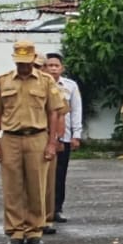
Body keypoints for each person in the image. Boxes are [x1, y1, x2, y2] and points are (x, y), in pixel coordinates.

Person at [0, 40, 66, 244]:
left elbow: (54, 112)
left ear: (33, 59)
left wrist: (52, 143)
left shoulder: (46, 82)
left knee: (36, 186)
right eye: (19, 62)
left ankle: (34, 230)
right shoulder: (3, 81)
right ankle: (15, 231)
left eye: (26, 62)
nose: (23, 66)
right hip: (11, 137)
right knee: (12, 187)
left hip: (37, 137)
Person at [42, 52, 83, 223]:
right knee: (42, 175)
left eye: (56, 65)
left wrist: (76, 134)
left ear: (62, 68)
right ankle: (42, 210)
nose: (53, 68)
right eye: (49, 65)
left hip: (63, 137)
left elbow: (76, 110)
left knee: (59, 175)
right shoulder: (39, 85)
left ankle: (57, 208)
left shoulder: (70, 86)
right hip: (42, 136)